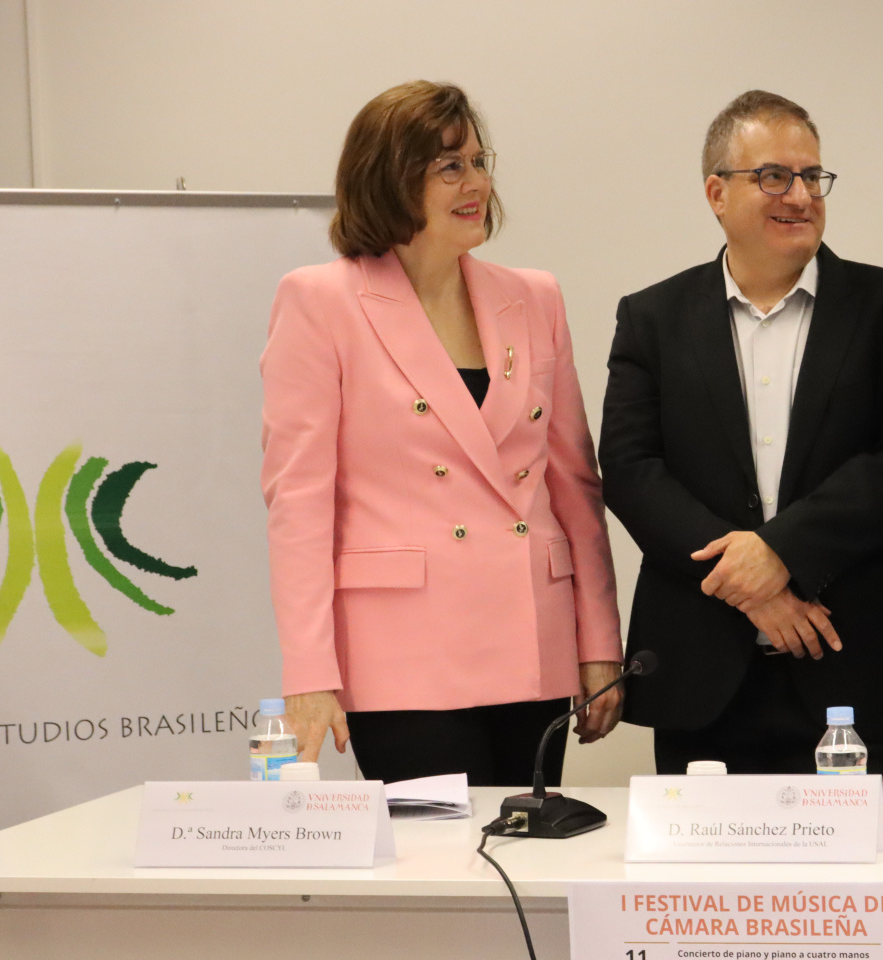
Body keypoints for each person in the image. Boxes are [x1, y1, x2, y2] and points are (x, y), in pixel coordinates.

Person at [260, 80, 623, 786]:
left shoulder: (534, 296)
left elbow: (575, 485)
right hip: (402, 656)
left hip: (533, 640)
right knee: (438, 872)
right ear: (389, 180)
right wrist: (309, 672)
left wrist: (599, 641)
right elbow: (298, 504)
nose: (476, 184)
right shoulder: (319, 301)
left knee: (528, 865)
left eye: (480, 164)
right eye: (449, 167)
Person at [600, 91, 883, 787]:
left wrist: (780, 552)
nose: (800, 195)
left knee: (880, 894)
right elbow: (631, 470)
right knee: (706, 897)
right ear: (716, 192)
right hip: (701, 679)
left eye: (811, 176)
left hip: (862, 670)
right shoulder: (652, 318)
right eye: (773, 176)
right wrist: (751, 585)